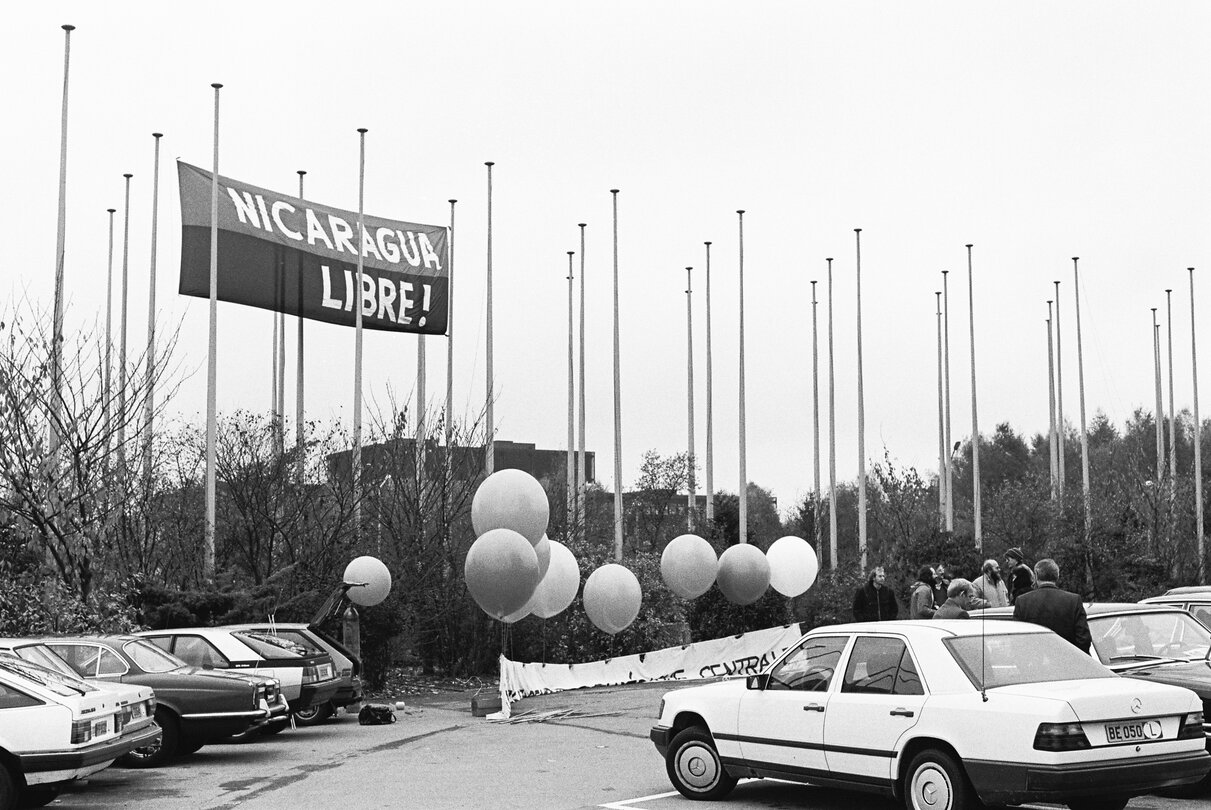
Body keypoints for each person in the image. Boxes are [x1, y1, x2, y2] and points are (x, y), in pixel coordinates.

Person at [1012, 558, 1091, 653]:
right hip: (1067, 661)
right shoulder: (1073, 601)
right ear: (1057, 576)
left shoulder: (1022, 601)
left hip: (1035, 662)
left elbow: (1019, 641)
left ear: (1036, 575)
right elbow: (1083, 639)